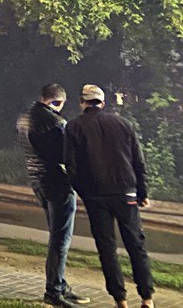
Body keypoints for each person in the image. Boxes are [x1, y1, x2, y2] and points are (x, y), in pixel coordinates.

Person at [65, 85, 155, 308]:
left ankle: (120, 300)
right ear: (102, 103)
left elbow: (71, 166)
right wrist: (142, 192)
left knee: (107, 249)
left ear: (82, 102)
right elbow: (138, 161)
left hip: (96, 196)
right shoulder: (123, 124)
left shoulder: (74, 127)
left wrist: (83, 192)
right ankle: (147, 298)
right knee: (136, 245)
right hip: (126, 192)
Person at [17, 83, 89, 308]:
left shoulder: (24, 118)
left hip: (38, 182)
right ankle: (54, 292)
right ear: (57, 101)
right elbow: (67, 155)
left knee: (56, 236)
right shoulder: (56, 123)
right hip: (57, 184)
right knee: (60, 240)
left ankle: (60, 284)